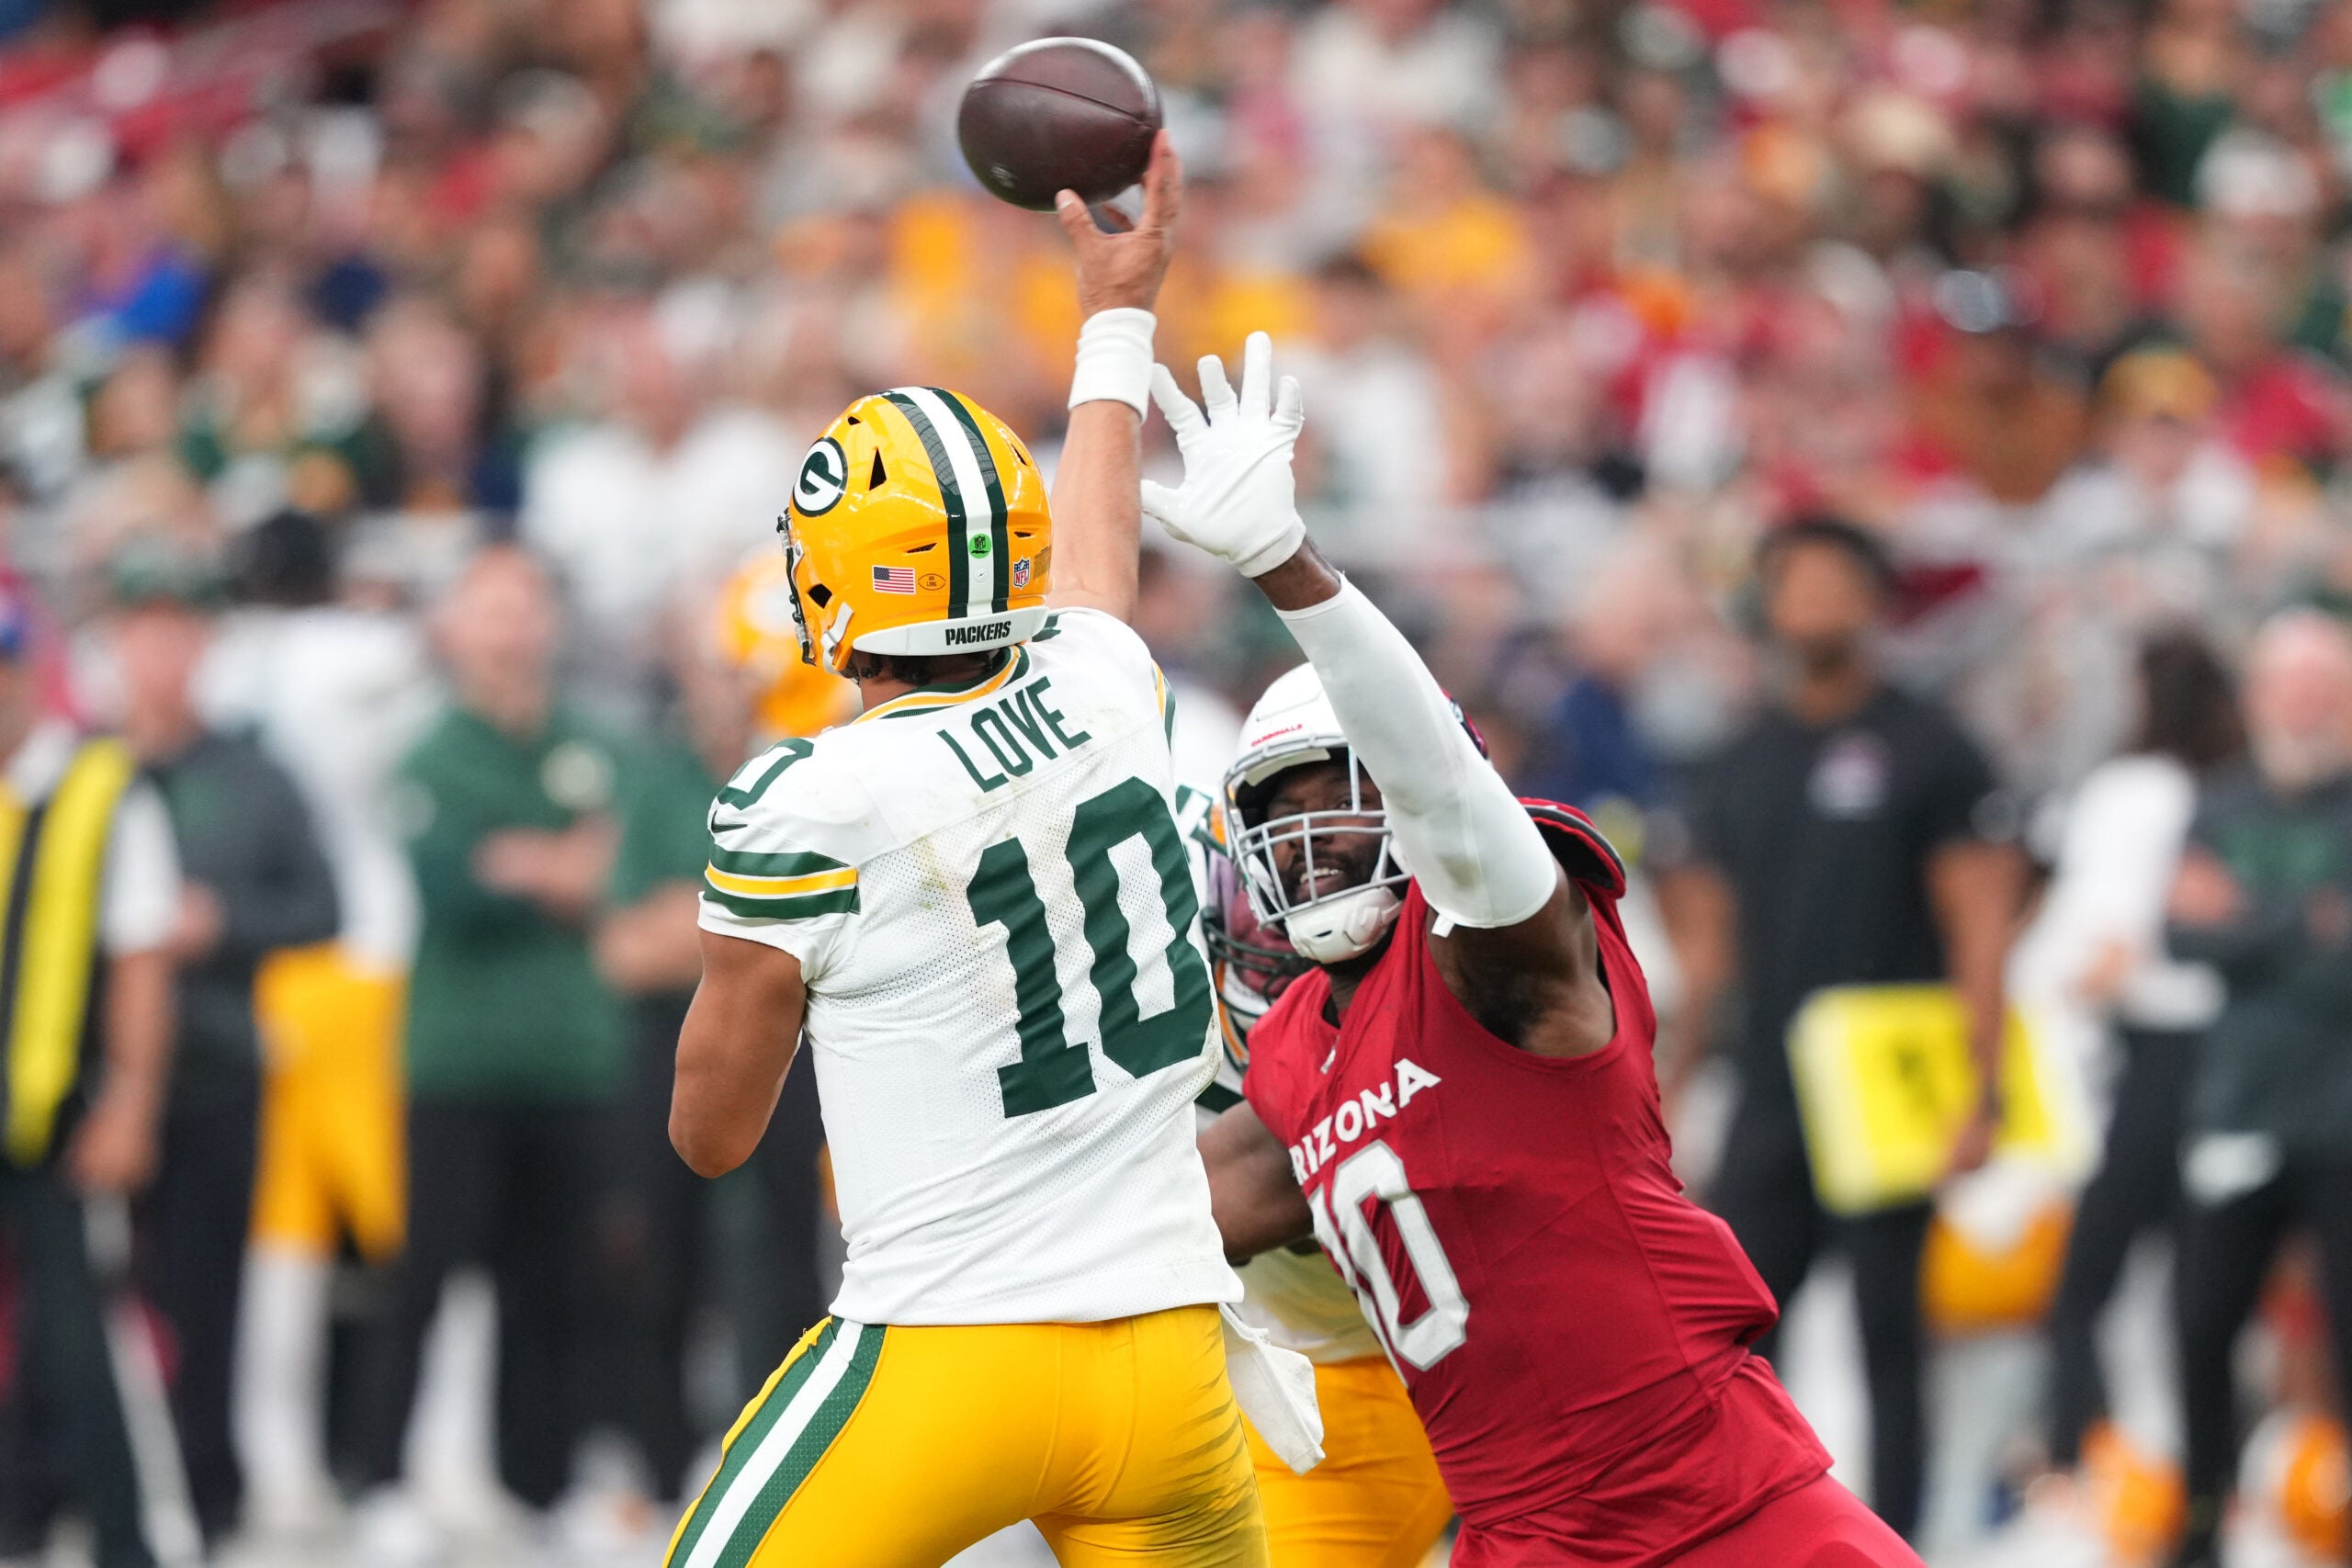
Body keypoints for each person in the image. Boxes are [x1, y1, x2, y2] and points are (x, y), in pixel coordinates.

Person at [1165, 338, 1914, 1566]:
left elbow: (1450, 801)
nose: (1305, 845)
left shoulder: (1497, 952)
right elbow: (1181, 1205)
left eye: (1339, 799)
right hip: (1523, 1536)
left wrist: (1290, 569)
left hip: (1711, 1488)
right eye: (1278, 815)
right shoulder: (1297, 1046)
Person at [664, 139, 1272, 1567]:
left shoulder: (810, 797)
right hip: (1174, 1357)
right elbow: (1099, 574)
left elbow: (712, 1134)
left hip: (957, 1348)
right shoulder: (1113, 685)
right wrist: (1117, 313)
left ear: (833, 579)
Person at [1655, 516, 2023, 1540]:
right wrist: (1669, 1094)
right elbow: (1705, 955)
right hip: (1773, 1084)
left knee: (1885, 1334)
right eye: (1794, 581)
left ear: (1873, 600)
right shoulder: (1736, 758)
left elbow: (1980, 923)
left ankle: (1897, 1540)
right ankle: (1743, 1535)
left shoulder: (1932, 749)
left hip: (1885, 1085)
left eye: (1834, 581)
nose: (1814, 601)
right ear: (1766, 604)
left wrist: (1981, 1086)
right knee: (1730, 1331)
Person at [350, 545, 628, 1558]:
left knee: (555, 1284)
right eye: (490, 608)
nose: (509, 628)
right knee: (422, 1277)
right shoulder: (433, 754)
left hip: (570, 1055)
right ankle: (383, 1478)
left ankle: (542, 1483)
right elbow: (453, 884)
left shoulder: (592, 743)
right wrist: (557, 863)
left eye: (524, 607)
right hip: (457, 1060)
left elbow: (625, 865)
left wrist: (531, 861)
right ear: (454, 626)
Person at [106, 545, 340, 1549]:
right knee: (84, 1301)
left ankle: (210, 1493)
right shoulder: (86, 770)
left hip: (214, 1067)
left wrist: (222, 922)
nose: (162, 655)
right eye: (143, 632)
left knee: (209, 1296)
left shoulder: (251, 775)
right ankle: (73, 1481)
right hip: (96, 1076)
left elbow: (321, 906)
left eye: (179, 632)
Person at [591, 605, 827, 1509]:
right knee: (658, 1248)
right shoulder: (658, 777)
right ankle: (661, 1463)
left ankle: (787, 1448)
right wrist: (755, 924)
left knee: (785, 1250)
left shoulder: (804, 771)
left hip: (791, 1042)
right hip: (673, 1039)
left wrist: (686, 918)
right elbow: (620, 948)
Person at [1192, 811, 1453, 1567]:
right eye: (1269, 897)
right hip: (1225, 1362)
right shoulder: (1162, 981)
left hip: (1378, 1383)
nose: (1293, 934)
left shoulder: (1444, 1013)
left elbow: (1198, 1208)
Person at [2012, 631, 2241, 1474]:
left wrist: (2048, 989)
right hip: (2221, 1053)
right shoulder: (2229, 790)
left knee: (2086, 1286)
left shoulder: (2131, 791)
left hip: (2141, 1058)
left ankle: (2077, 1460)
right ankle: (2198, 1471)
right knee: (2196, 1284)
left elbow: (2106, 950)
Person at [2163, 611, 2352, 1568]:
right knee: (2200, 1327)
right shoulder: (2222, 802)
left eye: (2324, 683)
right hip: (2234, 1109)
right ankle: (2202, 1523)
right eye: (2290, 683)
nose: (2306, 703)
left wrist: (2246, 920)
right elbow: (2180, 935)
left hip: (2340, 1118)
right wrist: (2304, 923)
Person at [0, 577, 178, 1568]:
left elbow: (142, 960)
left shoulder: (100, 787)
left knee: (85, 1339)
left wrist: (129, 1101)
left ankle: (128, 1539)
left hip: (58, 1109)